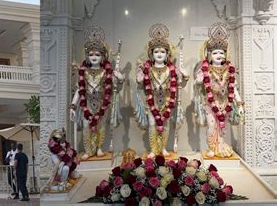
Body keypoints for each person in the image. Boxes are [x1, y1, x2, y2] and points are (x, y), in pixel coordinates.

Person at [70, 26, 124, 160]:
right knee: (87, 127)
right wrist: (72, 105)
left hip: (102, 104)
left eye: (97, 54)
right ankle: (88, 150)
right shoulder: (84, 72)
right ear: (87, 57)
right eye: (91, 54)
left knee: (100, 127)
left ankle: (99, 148)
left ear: (103, 57)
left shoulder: (106, 72)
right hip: (87, 103)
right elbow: (79, 89)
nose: (94, 57)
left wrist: (119, 76)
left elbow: (119, 82)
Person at [135, 24, 188, 158]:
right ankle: (153, 149)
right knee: (152, 124)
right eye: (156, 52)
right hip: (151, 102)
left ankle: (163, 148)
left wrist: (185, 75)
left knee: (165, 124)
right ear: (151, 54)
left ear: (167, 54)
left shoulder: (171, 69)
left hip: (167, 101)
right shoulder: (148, 69)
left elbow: (180, 83)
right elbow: (141, 82)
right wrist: (139, 75)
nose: (159, 54)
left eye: (162, 52)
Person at [194, 22, 244, 158]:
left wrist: (239, 104)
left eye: (221, 52)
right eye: (215, 52)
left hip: (226, 102)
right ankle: (212, 148)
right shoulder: (206, 69)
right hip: (210, 103)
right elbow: (199, 83)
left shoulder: (229, 70)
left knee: (223, 126)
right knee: (211, 126)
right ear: (209, 54)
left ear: (225, 54)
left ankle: (220, 146)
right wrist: (199, 77)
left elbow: (234, 87)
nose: (218, 55)